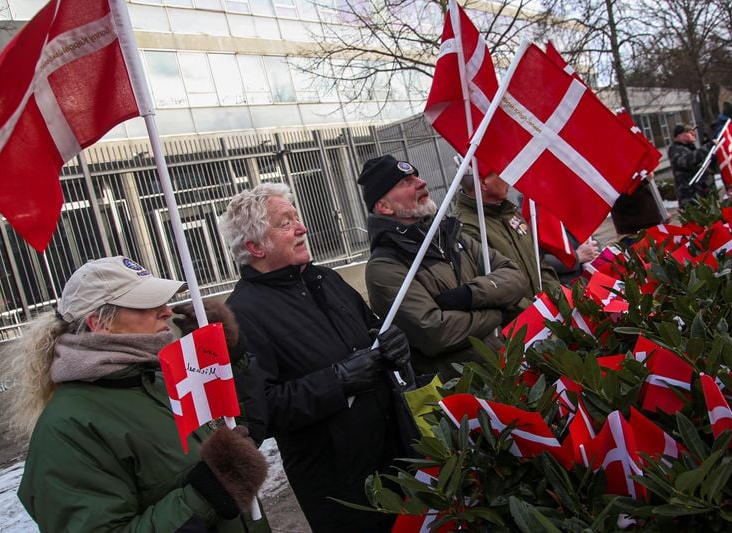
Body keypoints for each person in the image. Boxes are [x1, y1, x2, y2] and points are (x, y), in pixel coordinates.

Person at [8, 256, 270, 532]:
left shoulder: (158, 377)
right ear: (99, 323)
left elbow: (244, 426)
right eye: (147, 303)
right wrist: (206, 496)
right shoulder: (67, 428)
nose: (167, 311)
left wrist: (225, 357)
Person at [220, 183, 410, 533]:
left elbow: (371, 329)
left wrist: (392, 341)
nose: (302, 227)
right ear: (255, 247)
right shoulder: (240, 315)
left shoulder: (326, 278)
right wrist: (336, 381)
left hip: (397, 452)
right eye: (285, 222)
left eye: (297, 217)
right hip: (342, 485)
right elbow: (260, 410)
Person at [358, 155, 527, 379]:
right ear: (384, 206)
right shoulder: (384, 267)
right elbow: (435, 333)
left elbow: (515, 276)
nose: (421, 182)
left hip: (505, 368)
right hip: (463, 390)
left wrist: (470, 295)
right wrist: (498, 310)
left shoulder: (451, 236)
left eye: (415, 176)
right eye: (405, 182)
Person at [452, 171, 561, 304]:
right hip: (520, 321)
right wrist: (535, 312)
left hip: (546, 314)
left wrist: (556, 299)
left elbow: (539, 263)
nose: (508, 179)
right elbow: (488, 290)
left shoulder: (509, 211)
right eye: (500, 173)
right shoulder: (465, 229)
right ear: (483, 183)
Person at [668, 124, 716, 208]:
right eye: (690, 132)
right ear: (680, 136)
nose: (694, 134)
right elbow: (687, 161)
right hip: (691, 198)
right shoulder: (675, 149)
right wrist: (708, 147)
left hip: (703, 195)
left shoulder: (690, 148)